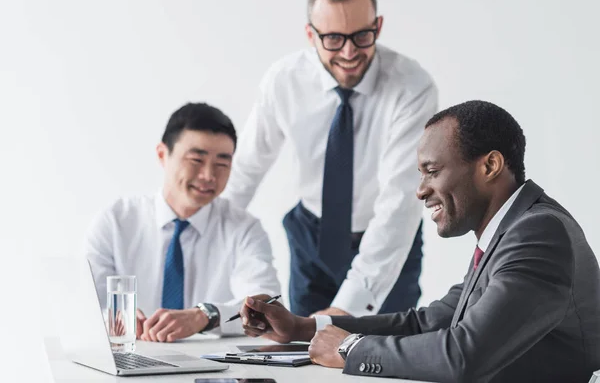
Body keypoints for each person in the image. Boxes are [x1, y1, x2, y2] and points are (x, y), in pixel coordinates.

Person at [238, 100, 600, 382]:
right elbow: (429, 323)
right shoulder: (511, 233)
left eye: (432, 171)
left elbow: (465, 356)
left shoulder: (539, 234)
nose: (421, 190)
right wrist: (302, 327)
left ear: (489, 166)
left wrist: (350, 348)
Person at [223, 0, 437, 318]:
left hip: (385, 239)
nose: (349, 52)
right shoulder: (284, 81)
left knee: (387, 356)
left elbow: (399, 201)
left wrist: (346, 308)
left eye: (362, 36)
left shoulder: (412, 87)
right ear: (311, 34)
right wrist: (207, 246)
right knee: (304, 356)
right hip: (311, 236)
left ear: (378, 26)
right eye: (333, 39)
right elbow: (245, 172)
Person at [85, 103, 280, 341]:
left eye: (222, 163)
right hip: (130, 357)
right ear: (162, 155)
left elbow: (268, 306)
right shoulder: (115, 222)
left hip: (214, 367)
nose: (209, 175)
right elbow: (85, 304)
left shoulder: (244, 229)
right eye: (196, 160)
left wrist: (207, 315)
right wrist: (114, 318)